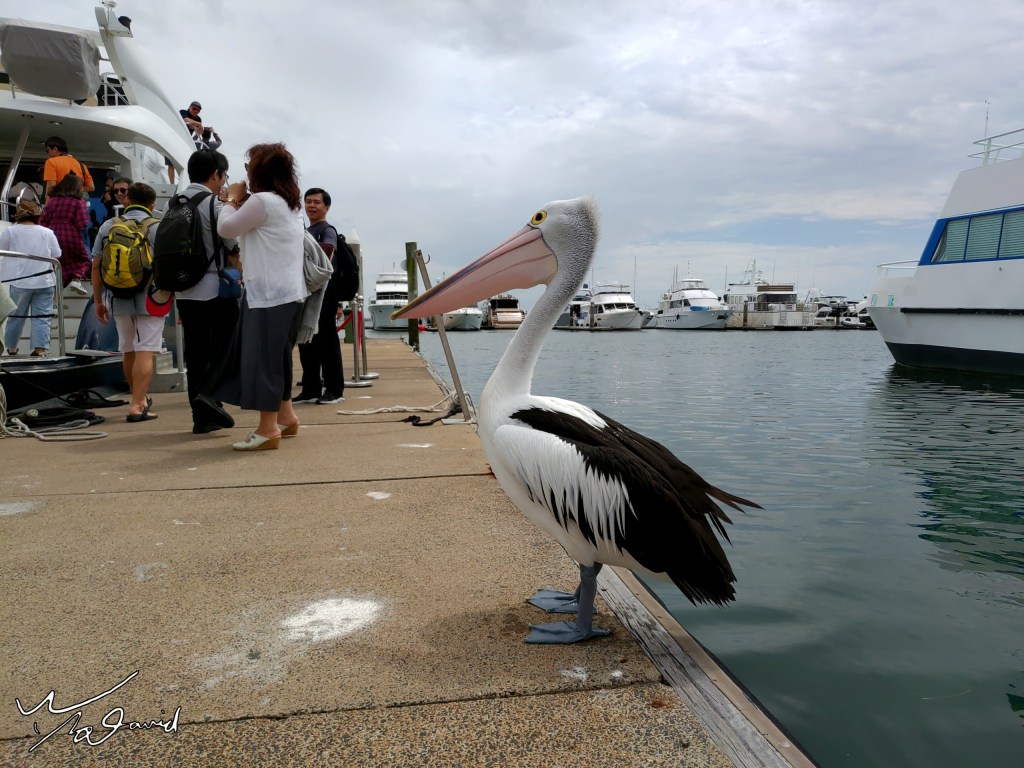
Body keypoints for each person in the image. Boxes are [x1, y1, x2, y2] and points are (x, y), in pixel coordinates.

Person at [209, 142, 306, 451]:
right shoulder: (288, 203)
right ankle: (286, 417)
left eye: (249, 166)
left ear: (260, 171)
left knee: (263, 358)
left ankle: (267, 429)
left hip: (267, 295)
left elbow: (226, 228)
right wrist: (234, 199)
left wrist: (232, 197)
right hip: (290, 293)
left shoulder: (262, 201)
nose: (246, 171)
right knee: (278, 358)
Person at [174, 148, 242, 434]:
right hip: (215, 289)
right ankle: (210, 396)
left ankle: (201, 418)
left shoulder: (174, 203)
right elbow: (232, 246)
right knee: (227, 347)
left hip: (184, 290)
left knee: (196, 353)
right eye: (223, 175)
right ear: (216, 174)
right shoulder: (215, 205)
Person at [90, 183, 163, 423]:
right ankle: (135, 405)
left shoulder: (109, 225)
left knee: (128, 349)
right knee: (146, 350)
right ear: (152, 204)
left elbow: (96, 265)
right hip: (150, 297)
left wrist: (99, 300)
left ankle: (139, 399)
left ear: (128, 200)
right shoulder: (157, 227)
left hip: (117, 295)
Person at [294, 187, 345, 405]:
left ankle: (335, 390)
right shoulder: (304, 229)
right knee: (306, 339)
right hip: (306, 291)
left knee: (326, 340)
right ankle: (311, 388)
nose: (311, 206)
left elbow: (325, 256)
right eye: (308, 202)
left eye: (316, 202)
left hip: (325, 291)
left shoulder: (327, 230)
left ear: (326, 207)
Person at [0, 201, 59, 357]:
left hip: (20, 281)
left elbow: (2, 251)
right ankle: (40, 350)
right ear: (36, 216)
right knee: (42, 316)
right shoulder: (47, 232)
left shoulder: (11, 231)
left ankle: (11, 348)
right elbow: (57, 253)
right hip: (45, 280)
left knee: (16, 316)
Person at [39, 173, 90, 295]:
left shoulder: (52, 201)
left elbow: (43, 220)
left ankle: (56, 297)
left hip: (52, 234)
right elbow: (82, 223)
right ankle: (76, 279)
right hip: (70, 234)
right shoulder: (78, 202)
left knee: (57, 263)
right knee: (84, 259)